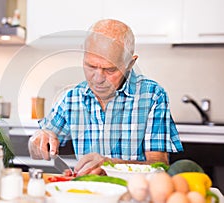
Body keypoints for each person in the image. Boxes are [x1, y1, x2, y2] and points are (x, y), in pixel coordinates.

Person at [28, 19, 183, 176]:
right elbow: (40, 144)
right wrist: (38, 139)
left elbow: (159, 166)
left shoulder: (152, 96)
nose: (98, 78)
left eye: (109, 69)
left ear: (130, 63)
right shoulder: (72, 98)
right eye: (91, 66)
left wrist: (110, 165)